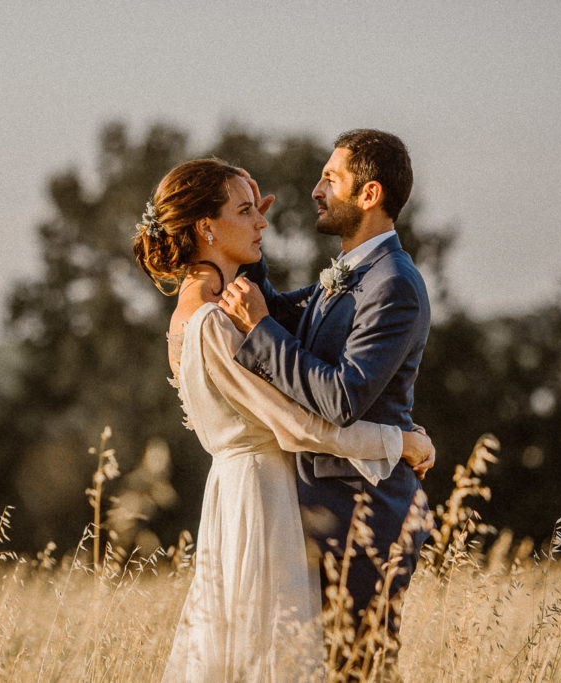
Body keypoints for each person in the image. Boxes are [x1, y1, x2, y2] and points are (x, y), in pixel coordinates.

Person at [133, 158, 435, 681]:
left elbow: (268, 314)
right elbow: (300, 425)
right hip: (260, 503)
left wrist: (244, 247)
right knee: (269, 660)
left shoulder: (206, 310)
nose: (262, 222)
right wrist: (399, 441)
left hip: (250, 495)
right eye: (246, 211)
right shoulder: (210, 324)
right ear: (206, 226)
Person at [219, 129, 432, 671]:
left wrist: (261, 329)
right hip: (322, 510)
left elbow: (342, 397)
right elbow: (277, 313)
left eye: (330, 179)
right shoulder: (350, 274)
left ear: (369, 195)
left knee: (358, 670)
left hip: (364, 516)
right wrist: (246, 237)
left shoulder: (393, 284)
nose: (316, 190)